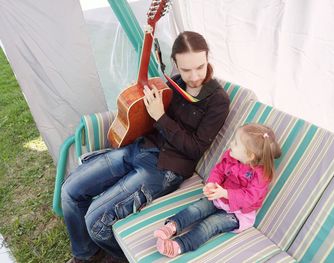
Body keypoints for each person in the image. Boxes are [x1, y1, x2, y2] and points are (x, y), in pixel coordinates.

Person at [61, 31, 230, 263]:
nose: (194, 76)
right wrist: (140, 102)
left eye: (200, 67)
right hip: (139, 148)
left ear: (208, 58)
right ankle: (85, 254)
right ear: (174, 64)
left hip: (165, 168)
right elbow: (150, 118)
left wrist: (161, 117)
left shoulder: (218, 101)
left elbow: (195, 148)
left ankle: (120, 257)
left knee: (95, 221)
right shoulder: (174, 83)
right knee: (70, 189)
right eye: (186, 69)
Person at [154, 123, 282, 258]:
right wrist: (212, 184)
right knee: (197, 208)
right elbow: (219, 170)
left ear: (249, 155)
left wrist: (226, 193)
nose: (231, 143)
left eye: (236, 143)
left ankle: (179, 246)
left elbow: (250, 197)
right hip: (219, 197)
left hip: (238, 213)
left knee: (210, 225)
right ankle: (172, 226)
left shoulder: (261, 175)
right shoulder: (231, 156)